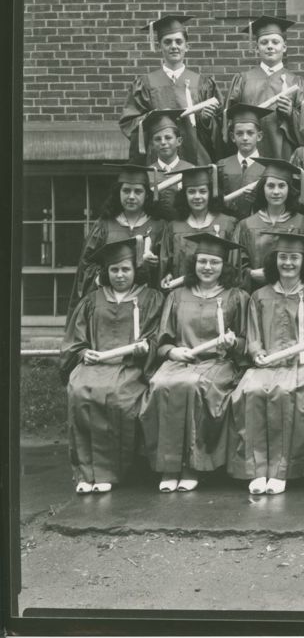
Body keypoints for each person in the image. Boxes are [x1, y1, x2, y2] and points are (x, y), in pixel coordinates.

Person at [140, 232, 249, 492]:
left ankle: (192, 466)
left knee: (192, 385)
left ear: (224, 266)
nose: (208, 267)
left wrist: (233, 343)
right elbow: (162, 339)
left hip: (218, 363)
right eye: (202, 261)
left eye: (214, 262)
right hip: (180, 360)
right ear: (193, 263)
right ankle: (169, 466)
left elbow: (246, 342)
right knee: (160, 383)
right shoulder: (177, 296)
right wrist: (172, 352)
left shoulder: (236, 296)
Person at [227, 231, 304, 495]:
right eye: (283, 257)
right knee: (249, 392)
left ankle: (281, 470)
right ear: (274, 261)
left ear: (303, 262)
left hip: (300, 366)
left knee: (286, 394)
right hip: (266, 365)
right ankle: (257, 469)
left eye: (294, 258)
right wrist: (256, 351)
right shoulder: (260, 296)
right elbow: (253, 336)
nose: (288, 263)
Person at [59, 239, 164, 494]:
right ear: (106, 272)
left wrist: (146, 347)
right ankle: (85, 472)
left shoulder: (151, 297)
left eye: (125, 269)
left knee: (116, 398)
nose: (119, 275)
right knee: (79, 390)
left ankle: (109, 472)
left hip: (129, 368)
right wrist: (84, 352)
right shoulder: (92, 300)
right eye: (114, 270)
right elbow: (76, 340)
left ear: (135, 269)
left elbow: (156, 336)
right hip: (94, 364)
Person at [120, 13, 220, 166]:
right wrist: (152, 118)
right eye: (168, 42)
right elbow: (130, 123)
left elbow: (221, 129)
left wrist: (206, 121)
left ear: (187, 46)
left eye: (179, 41)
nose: (174, 46)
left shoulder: (203, 83)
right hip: (157, 158)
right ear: (159, 46)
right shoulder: (145, 84)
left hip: (196, 158)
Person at [69, 163, 163, 312]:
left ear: (147, 195)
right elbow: (86, 267)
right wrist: (110, 271)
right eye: (126, 190)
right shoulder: (104, 225)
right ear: (118, 192)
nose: (131, 196)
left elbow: (168, 269)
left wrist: (155, 264)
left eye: (138, 191)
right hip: (108, 305)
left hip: (146, 307)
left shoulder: (159, 227)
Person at [222, 16, 304, 160]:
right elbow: (227, 121)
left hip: (285, 154)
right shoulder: (243, 80)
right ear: (256, 47)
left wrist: (291, 114)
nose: (270, 46)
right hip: (249, 154)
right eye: (264, 42)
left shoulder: (297, 83)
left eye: (275, 42)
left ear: (284, 47)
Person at [232, 158, 304, 293]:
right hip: (255, 294)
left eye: (282, 186)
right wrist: (250, 273)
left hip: (293, 294)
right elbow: (236, 265)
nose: (276, 192)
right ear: (262, 188)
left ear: (290, 189)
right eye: (270, 186)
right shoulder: (246, 225)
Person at [158, 165, 237, 289]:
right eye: (191, 192)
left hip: (218, 293)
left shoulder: (228, 224)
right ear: (184, 195)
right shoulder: (174, 227)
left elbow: (233, 264)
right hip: (182, 295)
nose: (197, 197)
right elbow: (167, 263)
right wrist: (167, 275)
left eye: (202, 191)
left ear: (211, 193)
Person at [217, 103, 271, 219]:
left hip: (257, 226)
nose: (245, 138)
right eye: (239, 133)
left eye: (250, 133)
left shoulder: (269, 167)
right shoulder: (221, 165)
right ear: (232, 137)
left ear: (259, 136)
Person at [143, 108, 194, 221]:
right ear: (151, 145)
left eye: (168, 137)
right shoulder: (146, 174)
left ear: (179, 141)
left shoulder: (191, 170)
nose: (163, 142)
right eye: (157, 139)